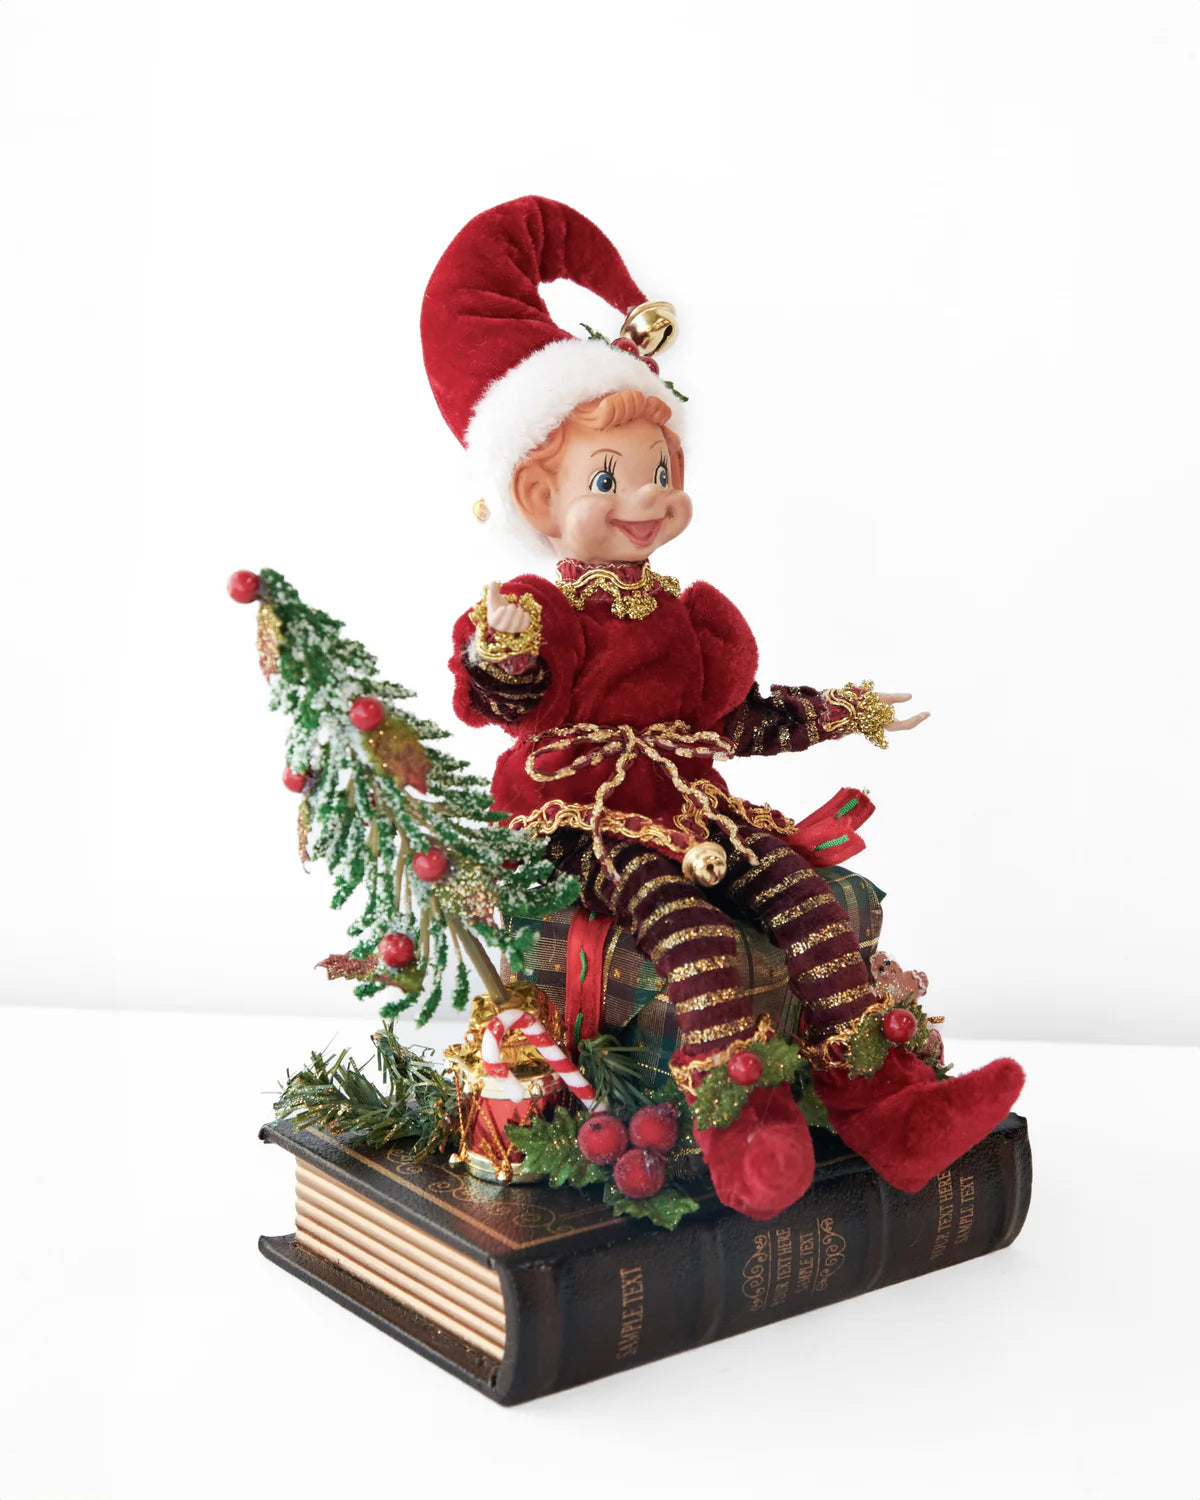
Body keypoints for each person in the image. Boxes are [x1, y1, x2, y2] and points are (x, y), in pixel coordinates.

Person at [424, 196, 1023, 1220]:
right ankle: (745, 1128)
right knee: (691, 936)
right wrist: (503, 653)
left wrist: (839, 712)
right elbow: (511, 696)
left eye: (662, 471)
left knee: (809, 905)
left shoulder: (682, 613)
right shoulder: (540, 609)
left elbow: (729, 723)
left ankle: (890, 1110)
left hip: (698, 806)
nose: (649, 496)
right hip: (595, 818)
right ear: (536, 498)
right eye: (611, 477)